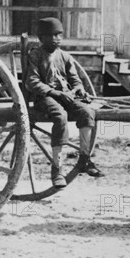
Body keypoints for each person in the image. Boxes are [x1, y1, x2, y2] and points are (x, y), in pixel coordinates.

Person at [25, 17, 103, 188]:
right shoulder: (35, 56)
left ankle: (84, 159)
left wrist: (78, 90)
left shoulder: (65, 57)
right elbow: (32, 82)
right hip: (45, 98)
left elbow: (76, 80)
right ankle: (57, 169)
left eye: (58, 35)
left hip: (66, 96)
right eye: (51, 35)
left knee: (87, 112)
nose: (55, 39)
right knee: (60, 117)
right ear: (41, 38)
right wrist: (55, 93)